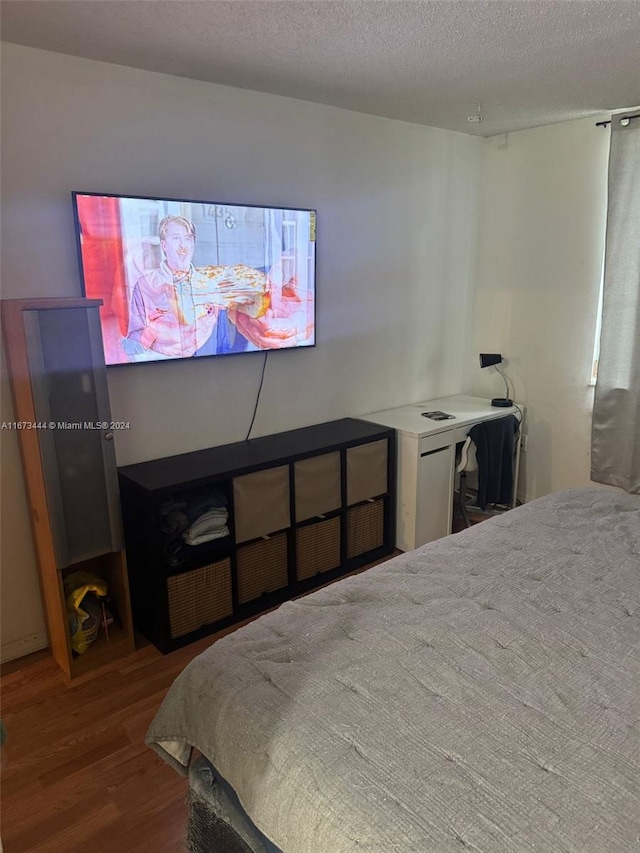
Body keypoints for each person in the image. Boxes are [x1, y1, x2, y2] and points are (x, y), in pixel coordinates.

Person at [122, 215, 311, 359]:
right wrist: (154, 333)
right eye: (176, 238)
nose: (183, 246)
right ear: (164, 245)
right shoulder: (145, 286)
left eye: (188, 239)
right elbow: (130, 348)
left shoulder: (210, 286)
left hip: (212, 361)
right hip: (166, 373)